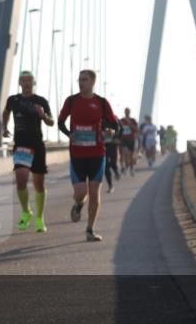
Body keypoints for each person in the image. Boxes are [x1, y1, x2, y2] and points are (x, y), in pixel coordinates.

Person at [58, 69, 119, 241]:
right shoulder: (71, 101)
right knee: (80, 192)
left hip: (97, 154)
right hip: (77, 154)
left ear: (93, 82)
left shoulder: (101, 102)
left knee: (94, 191)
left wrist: (111, 132)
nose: (81, 82)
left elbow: (116, 126)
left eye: (84, 79)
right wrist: (69, 133)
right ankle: (78, 204)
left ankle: (90, 230)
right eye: (79, 79)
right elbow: (60, 122)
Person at [1, 71, 53, 232]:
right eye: (24, 80)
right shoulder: (13, 100)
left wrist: (42, 114)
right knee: (21, 179)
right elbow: (6, 112)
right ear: (20, 83)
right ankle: (26, 212)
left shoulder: (41, 101)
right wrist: (5, 127)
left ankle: (39, 217)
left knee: (39, 184)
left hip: (37, 144)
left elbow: (51, 122)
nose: (27, 83)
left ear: (34, 83)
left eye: (29, 80)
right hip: (21, 145)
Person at [118, 108, 139, 176]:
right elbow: (118, 130)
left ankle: (131, 168)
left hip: (131, 139)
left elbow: (136, 130)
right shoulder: (121, 120)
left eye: (128, 111)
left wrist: (130, 124)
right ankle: (125, 167)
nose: (127, 112)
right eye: (126, 111)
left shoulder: (133, 120)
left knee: (131, 156)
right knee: (125, 154)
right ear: (124, 112)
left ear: (130, 112)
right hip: (123, 140)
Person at [103, 127, 120, 193]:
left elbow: (120, 128)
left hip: (112, 145)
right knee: (106, 167)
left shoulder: (112, 119)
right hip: (103, 146)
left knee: (113, 164)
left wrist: (117, 138)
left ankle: (116, 171)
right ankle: (110, 186)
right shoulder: (97, 118)